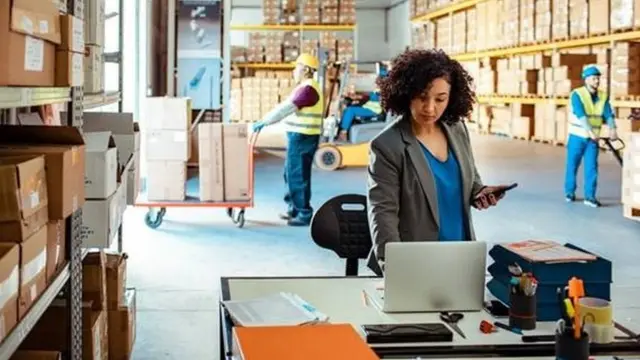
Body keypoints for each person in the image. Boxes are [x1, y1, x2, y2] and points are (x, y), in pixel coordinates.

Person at [365, 49, 513, 275]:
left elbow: (470, 178)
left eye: (440, 99)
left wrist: (479, 192)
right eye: (422, 97)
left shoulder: (457, 129)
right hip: (415, 261)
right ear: (405, 93)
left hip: (460, 254)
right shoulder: (387, 146)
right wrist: (394, 270)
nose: (430, 108)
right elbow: (382, 214)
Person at [252, 53, 324, 226]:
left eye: (297, 67)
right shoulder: (304, 87)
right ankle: (293, 209)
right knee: (290, 174)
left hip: (303, 138)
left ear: (306, 70)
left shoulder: (308, 90)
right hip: (299, 137)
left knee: (297, 175)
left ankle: (303, 214)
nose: (294, 71)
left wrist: (265, 121)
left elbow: (286, 109)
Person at [564, 65, 617, 208]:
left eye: (598, 78)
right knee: (572, 166)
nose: (597, 81)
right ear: (586, 80)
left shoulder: (602, 96)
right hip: (577, 136)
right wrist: (590, 131)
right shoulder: (577, 95)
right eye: (594, 78)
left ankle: (590, 196)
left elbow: (608, 113)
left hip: (592, 140)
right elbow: (580, 114)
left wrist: (613, 129)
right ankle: (569, 192)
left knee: (592, 167)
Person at [337, 65, 387, 141]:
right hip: (369, 108)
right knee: (348, 109)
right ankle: (343, 131)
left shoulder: (383, 90)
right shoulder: (378, 89)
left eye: (380, 78)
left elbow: (375, 98)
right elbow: (368, 97)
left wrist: (359, 97)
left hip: (374, 111)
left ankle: (343, 133)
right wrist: (356, 97)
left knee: (351, 110)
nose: (377, 80)